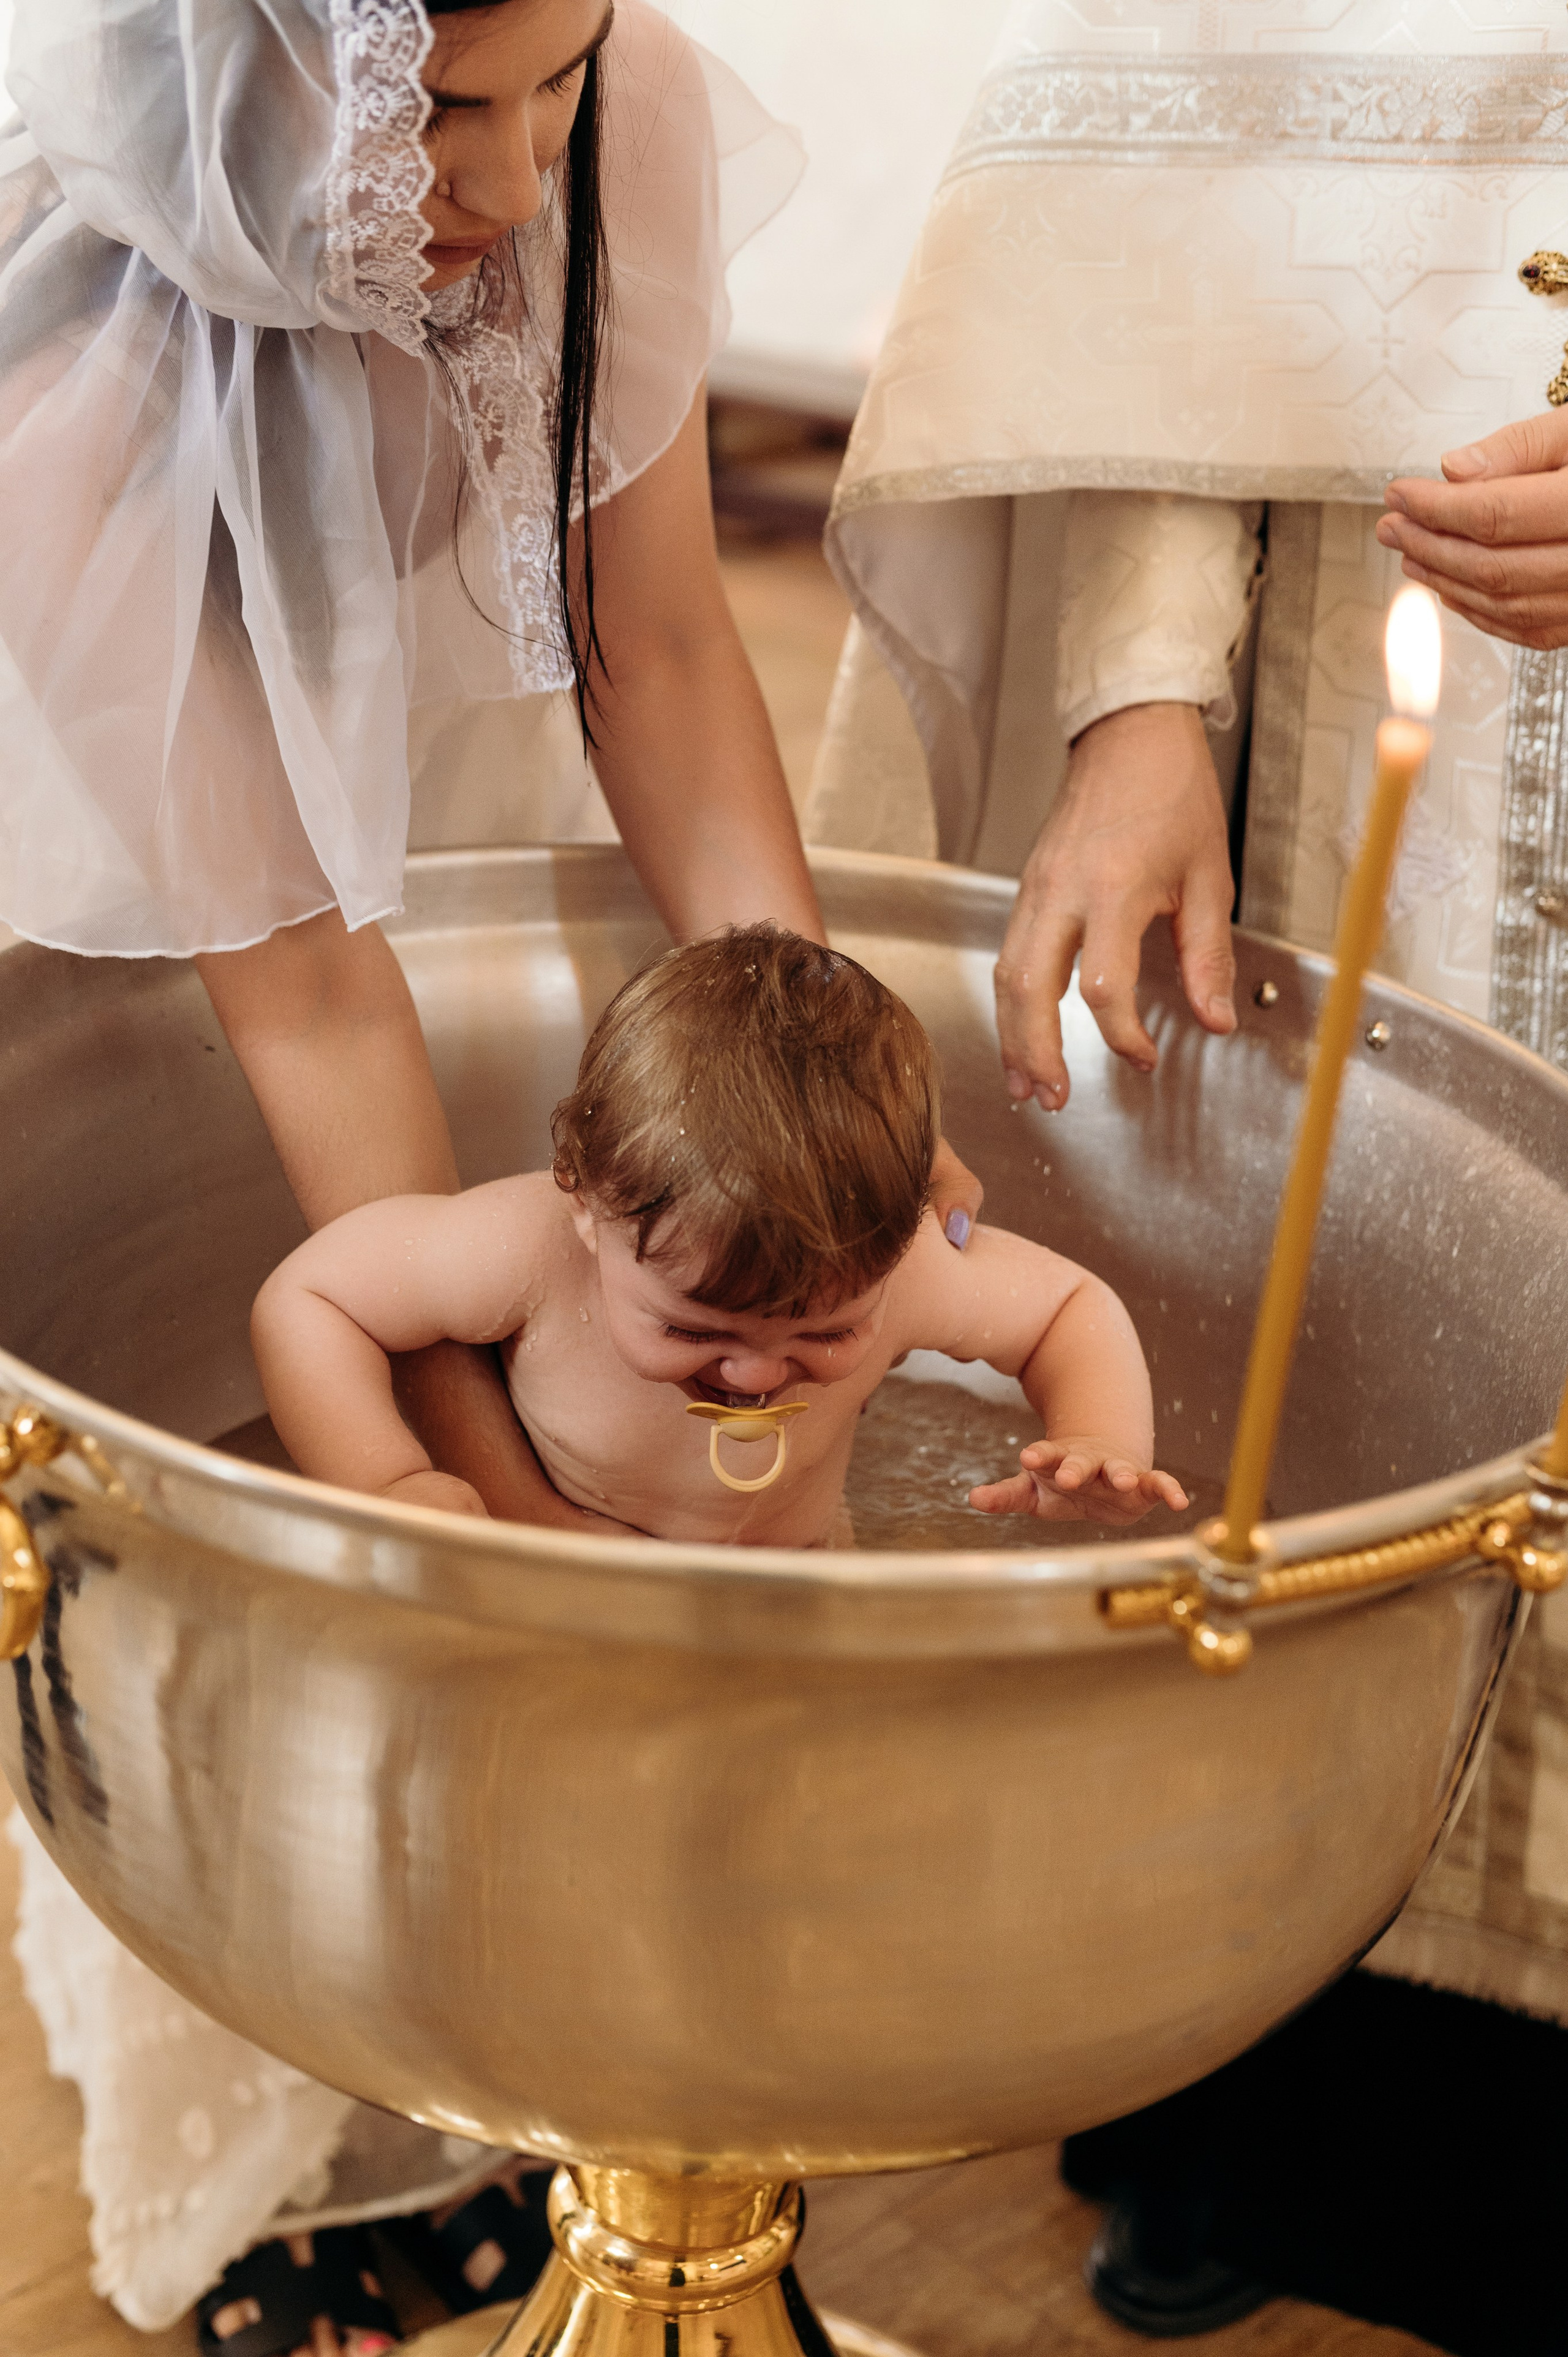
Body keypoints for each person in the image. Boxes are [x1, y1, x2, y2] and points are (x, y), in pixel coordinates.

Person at [0, 0, 983, 2345]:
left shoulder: (598, 137)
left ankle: (549, 2076)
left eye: (564, 86)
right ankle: (303, 2153)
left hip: (443, 805)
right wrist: (504, 1509)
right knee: (289, 1539)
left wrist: (819, 1084)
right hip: (190, 927)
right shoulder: (72, 383)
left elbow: (661, 646)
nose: (524, 179)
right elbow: (321, 1011)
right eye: (453, 110)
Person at [798, 0, 1568, 2342]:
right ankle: (1250, 2089)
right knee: (1321, 1332)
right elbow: (1171, 163)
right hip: (1356, 658)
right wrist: (1138, 702)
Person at [253, 925, 1188, 1542]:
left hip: (797, 1588)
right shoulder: (527, 1252)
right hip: (558, 1597)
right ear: (584, 1200)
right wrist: (385, 1481)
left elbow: (1069, 1309)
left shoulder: (903, 1268)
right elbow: (310, 1300)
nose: (756, 1375)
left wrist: (1098, 1438)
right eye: (692, 1327)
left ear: (903, 1232)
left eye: (829, 1332)